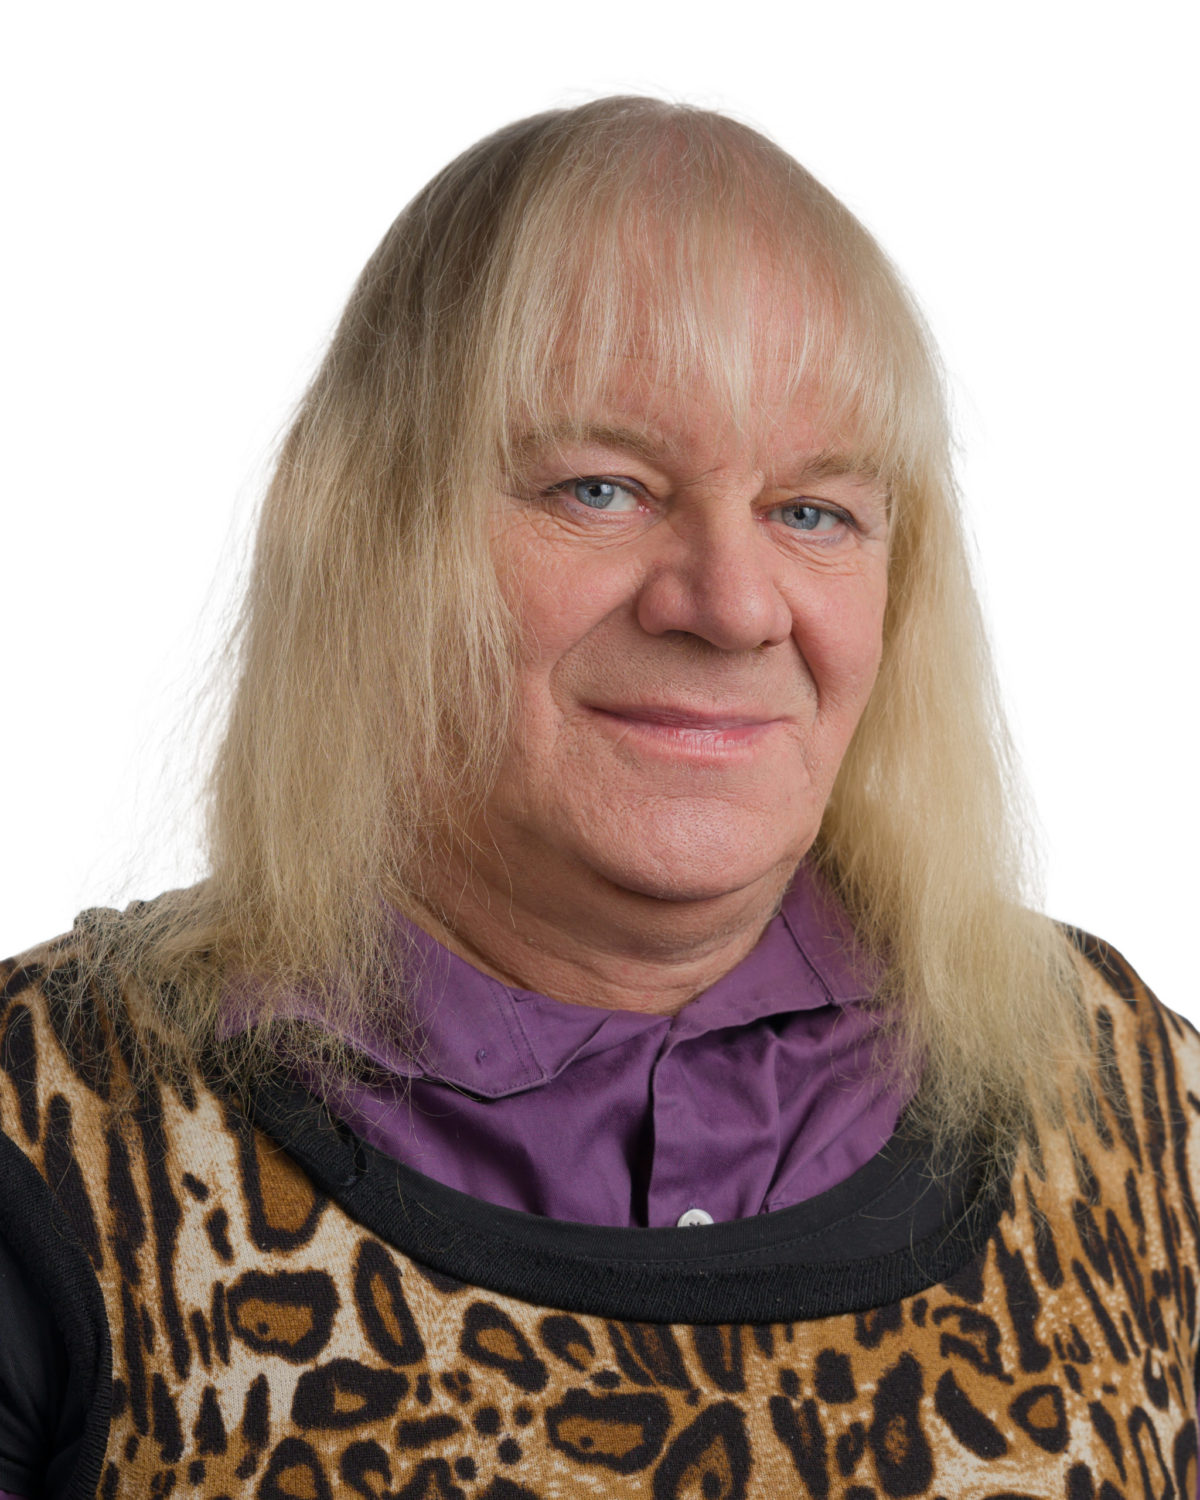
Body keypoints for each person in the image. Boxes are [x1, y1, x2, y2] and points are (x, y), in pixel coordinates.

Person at [0, 95, 1195, 1500]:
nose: (733, 605)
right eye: (602, 489)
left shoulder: (1137, 1101)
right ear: (369, 534)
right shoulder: (54, 1133)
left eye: (813, 511)